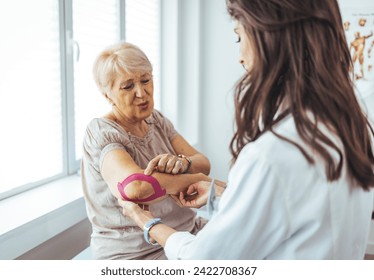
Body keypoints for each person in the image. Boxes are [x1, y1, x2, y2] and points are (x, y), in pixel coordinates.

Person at [118, 0, 374, 259]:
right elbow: (293, 217)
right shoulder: (348, 127)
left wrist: (147, 222)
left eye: (239, 37)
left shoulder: (273, 155)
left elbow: (204, 263)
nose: (240, 57)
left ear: (268, 38)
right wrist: (222, 201)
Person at [81, 42, 211, 260]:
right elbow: (136, 187)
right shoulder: (101, 131)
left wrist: (183, 163)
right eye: (128, 86)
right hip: (137, 252)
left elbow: (203, 163)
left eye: (145, 80)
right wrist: (194, 178)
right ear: (107, 95)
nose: (141, 93)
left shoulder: (156, 120)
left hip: (186, 231)